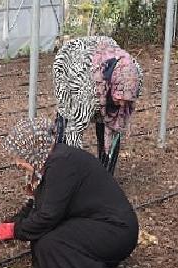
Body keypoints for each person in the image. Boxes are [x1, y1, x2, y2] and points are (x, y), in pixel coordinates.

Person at [0, 118, 138, 268]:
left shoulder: (62, 165)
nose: (18, 163)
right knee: (46, 242)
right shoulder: (55, 162)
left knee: (52, 243)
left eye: (21, 156)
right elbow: (38, 206)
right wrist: (11, 223)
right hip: (99, 225)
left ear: (34, 150)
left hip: (115, 231)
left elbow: (48, 216)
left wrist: (13, 230)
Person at [53, 36, 143, 173]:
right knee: (66, 123)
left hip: (104, 60)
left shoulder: (133, 76)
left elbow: (117, 127)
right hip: (71, 63)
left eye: (128, 99)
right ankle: (61, 172)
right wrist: (77, 173)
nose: (123, 103)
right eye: (120, 97)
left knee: (112, 124)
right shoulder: (87, 90)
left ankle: (105, 174)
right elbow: (74, 130)